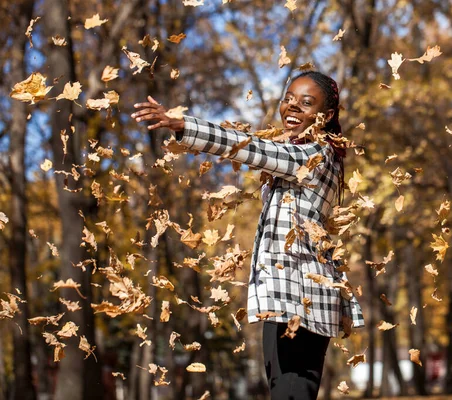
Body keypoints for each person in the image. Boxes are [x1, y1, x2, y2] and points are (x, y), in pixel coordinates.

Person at [132, 71, 364, 400]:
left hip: (300, 303)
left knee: (291, 391)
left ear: (325, 116)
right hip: (287, 302)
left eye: (306, 102)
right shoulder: (301, 154)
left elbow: (248, 148)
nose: (292, 107)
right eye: (288, 98)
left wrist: (183, 126)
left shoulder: (315, 155)